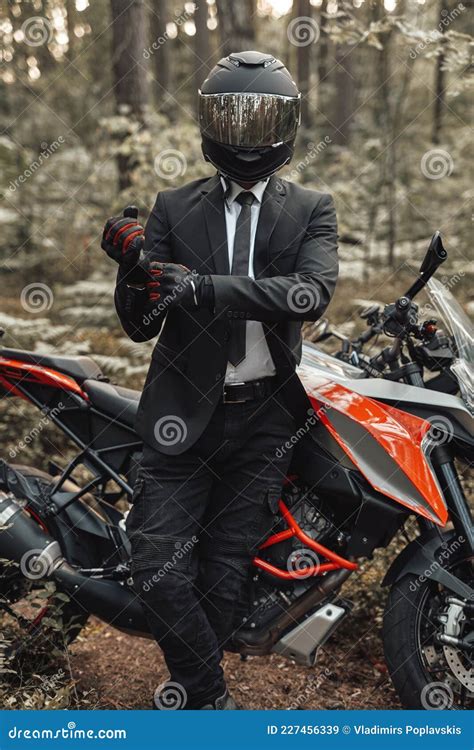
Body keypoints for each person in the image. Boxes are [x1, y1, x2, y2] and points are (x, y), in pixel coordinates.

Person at [101, 51, 338, 710]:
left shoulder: (311, 209)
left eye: (261, 119)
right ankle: (209, 699)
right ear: (210, 125)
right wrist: (130, 265)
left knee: (224, 576)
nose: (246, 134)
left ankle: (198, 693)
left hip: (267, 421)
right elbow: (141, 324)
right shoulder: (175, 207)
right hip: (181, 412)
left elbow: (309, 295)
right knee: (157, 566)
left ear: (286, 126)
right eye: (233, 117)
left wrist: (204, 288)